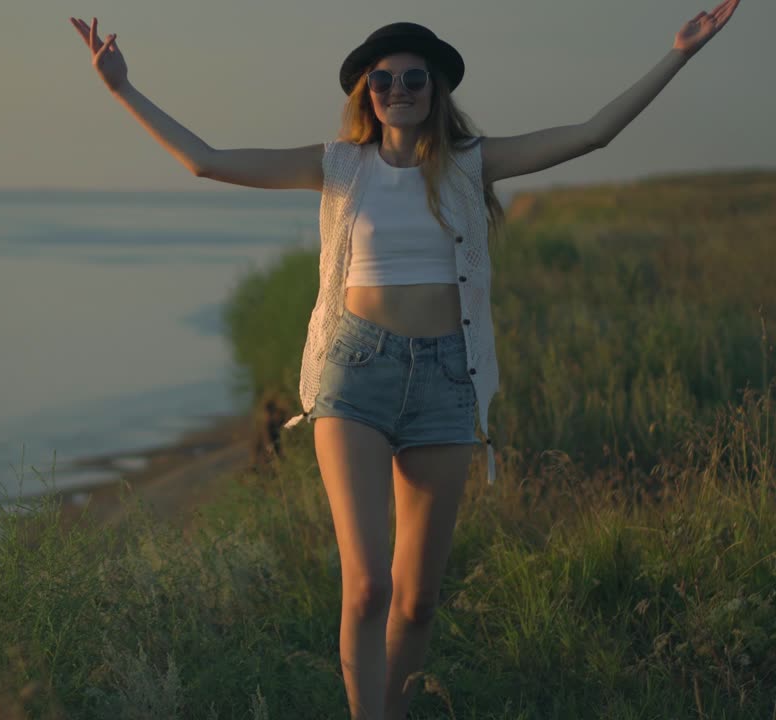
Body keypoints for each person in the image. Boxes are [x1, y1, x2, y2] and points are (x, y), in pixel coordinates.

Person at [68, 4, 739, 718]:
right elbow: (208, 161)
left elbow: (594, 133)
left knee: (417, 603)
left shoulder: (473, 161)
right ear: (366, 92)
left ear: (435, 89)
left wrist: (680, 53)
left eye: (414, 77)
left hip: (449, 382)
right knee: (368, 588)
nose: (398, 88)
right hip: (355, 372)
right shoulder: (338, 166)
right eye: (383, 79)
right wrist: (121, 89)